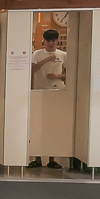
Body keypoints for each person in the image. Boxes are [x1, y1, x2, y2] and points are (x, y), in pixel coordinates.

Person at [29, 28, 66, 169]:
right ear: (44, 41)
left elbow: (71, 73)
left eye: (53, 40)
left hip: (57, 91)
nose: (50, 43)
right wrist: (46, 60)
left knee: (54, 125)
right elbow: (32, 70)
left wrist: (58, 76)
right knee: (37, 125)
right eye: (48, 40)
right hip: (39, 91)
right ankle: (37, 157)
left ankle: (52, 158)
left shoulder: (63, 55)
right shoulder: (37, 54)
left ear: (58, 40)